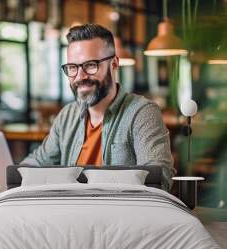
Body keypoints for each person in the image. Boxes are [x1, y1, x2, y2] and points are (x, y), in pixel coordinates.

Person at [21, 24, 175, 191]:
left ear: (114, 64)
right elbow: (33, 165)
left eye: (90, 65)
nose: (80, 76)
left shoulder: (142, 113)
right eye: (73, 67)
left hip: (118, 213)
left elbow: (160, 178)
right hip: (69, 212)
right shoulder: (67, 116)